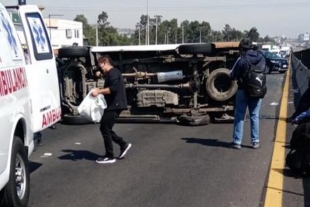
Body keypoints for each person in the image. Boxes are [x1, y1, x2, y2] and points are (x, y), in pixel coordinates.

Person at [91, 55, 132, 164]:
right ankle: (123, 144)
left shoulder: (113, 73)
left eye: (100, 64)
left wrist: (99, 91)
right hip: (113, 105)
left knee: (105, 128)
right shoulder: (112, 73)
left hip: (115, 105)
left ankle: (110, 156)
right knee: (105, 128)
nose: (100, 68)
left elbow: (113, 89)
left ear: (105, 62)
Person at [230, 39, 266, 149]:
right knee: (254, 116)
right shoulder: (261, 57)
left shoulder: (242, 59)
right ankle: (255, 141)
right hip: (258, 90)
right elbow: (266, 69)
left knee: (240, 115)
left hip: (243, 90)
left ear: (242, 48)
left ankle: (237, 142)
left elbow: (232, 74)